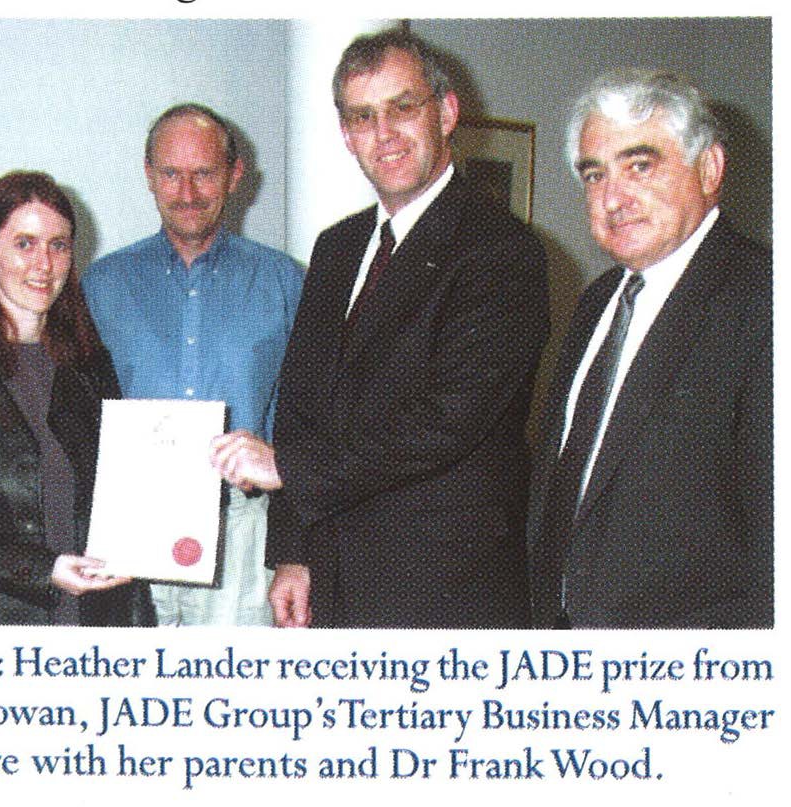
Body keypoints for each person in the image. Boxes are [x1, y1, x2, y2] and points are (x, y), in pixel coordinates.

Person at [219, 28, 550, 628]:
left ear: (446, 112)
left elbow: (447, 419)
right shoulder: (338, 247)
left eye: (403, 108)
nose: (385, 134)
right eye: (363, 117)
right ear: (346, 134)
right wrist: (294, 554)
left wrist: (288, 469)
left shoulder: (502, 249)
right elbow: (301, 407)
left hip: (444, 589)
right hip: (336, 579)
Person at [526, 69, 772, 629]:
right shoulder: (597, 302)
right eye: (594, 175)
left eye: (640, 166)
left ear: (709, 168)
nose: (613, 198)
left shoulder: (764, 300)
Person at [83, 104, 303, 626]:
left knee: (238, 701)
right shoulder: (99, 286)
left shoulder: (287, 284)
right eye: (171, 174)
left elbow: (308, 424)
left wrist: (298, 552)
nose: (186, 192)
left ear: (234, 175)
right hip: (129, 534)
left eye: (203, 173)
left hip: (244, 538)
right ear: (148, 175)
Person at [0, 171, 153, 626]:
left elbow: (127, 485)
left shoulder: (91, 366)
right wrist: (43, 570)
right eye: (24, 244)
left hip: (99, 615)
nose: (44, 264)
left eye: (58, 245)